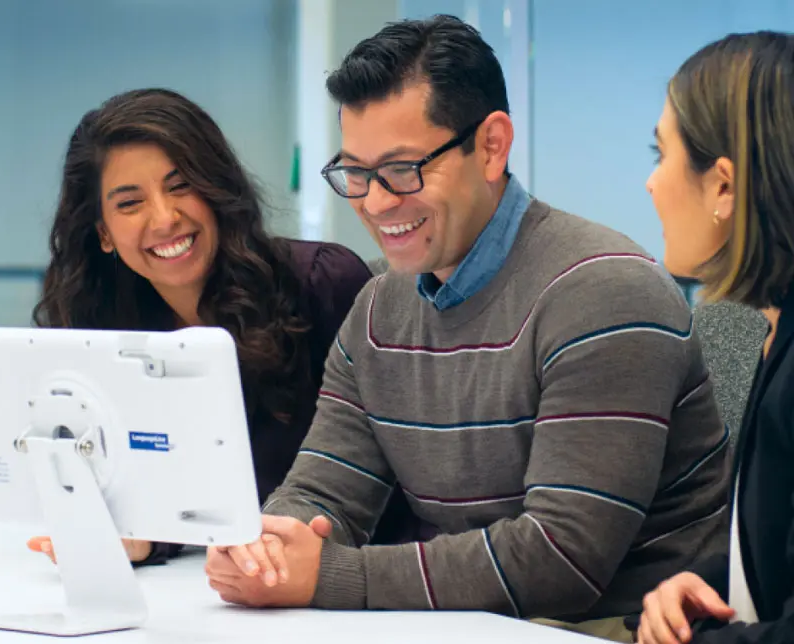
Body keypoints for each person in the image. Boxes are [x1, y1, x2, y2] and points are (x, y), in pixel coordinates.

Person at [205, 16, 729, 642]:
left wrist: (327, 576)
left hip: (622, 627)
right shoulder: (377, 309)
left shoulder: (602, 289)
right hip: (481, 624)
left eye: (403, 169)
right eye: (356, 173)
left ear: (491, 146)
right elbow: (324, 492)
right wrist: (265, 548)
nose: (375, 202)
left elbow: (561, 560)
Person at [26, 87, 413, 565]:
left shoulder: (321, 284)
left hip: (358, 573)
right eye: (130, 203)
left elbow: (393, 466)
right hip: (221, 582)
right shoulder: (104, 328)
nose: (164, 219)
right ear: (103, 232)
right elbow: (158, 490)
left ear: (216, 189)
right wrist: (139, 536)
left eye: (180, 186)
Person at [635, 31, 794, 644]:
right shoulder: (771, 330)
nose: (651, 184)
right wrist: (703, 586)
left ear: (723, 185)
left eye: (661, 154)